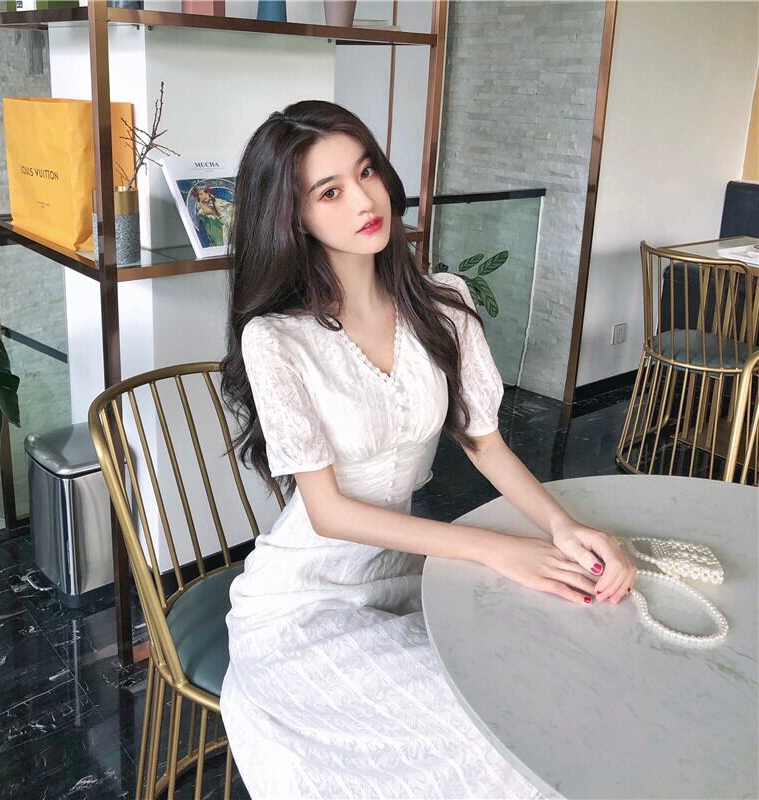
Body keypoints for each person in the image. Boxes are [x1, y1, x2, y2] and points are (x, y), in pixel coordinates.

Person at [218, 100, 636, 800]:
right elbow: (327, 513)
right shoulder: (277, 340)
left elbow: (484, 441)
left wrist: (562, 526)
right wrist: (493, 548)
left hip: (412, 576)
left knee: (563, 673)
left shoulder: (442, 303)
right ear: (293, 218)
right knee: (496, 741)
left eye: (366, 172)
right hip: (304, 606)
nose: (365, 200)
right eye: (330, 192)